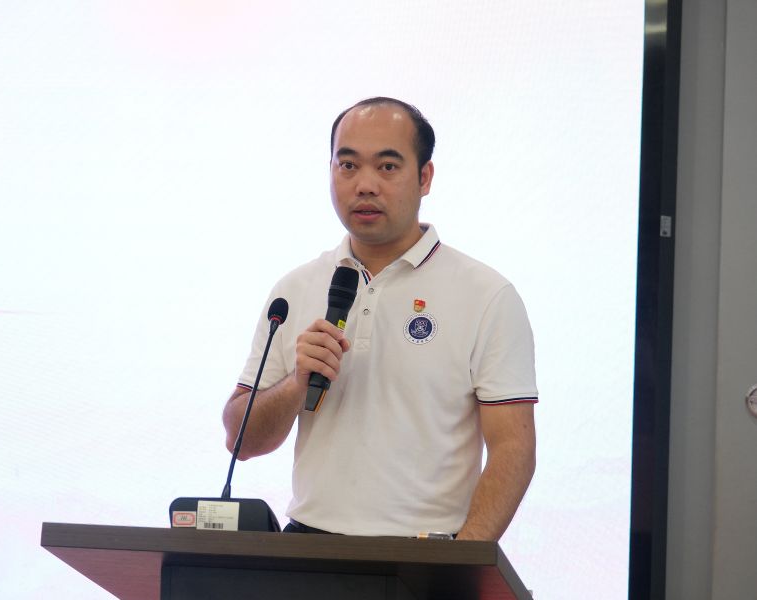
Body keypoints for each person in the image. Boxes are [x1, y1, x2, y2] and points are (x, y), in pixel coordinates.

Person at [222, 97, 537, 540]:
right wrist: (296, 383)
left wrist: (460, 562)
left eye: (387, 167)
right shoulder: (294, 289)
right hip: (308, 548)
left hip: (426, 553)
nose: (365, 185)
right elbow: (241, 441)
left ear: (425, 177)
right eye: (348, 166)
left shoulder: (486, 295)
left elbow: (513, 449)